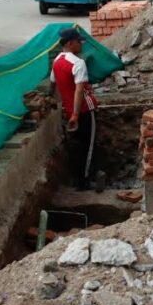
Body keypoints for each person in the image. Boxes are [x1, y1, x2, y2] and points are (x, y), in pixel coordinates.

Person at [51, 27, 101, 191]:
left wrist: (66, 110)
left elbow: (54, 84)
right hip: (84, 110)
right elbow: (80, 90)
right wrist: (76, 114)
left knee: (76, 145)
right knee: (89, 145)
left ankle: (77, 178)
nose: (81, 45)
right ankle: (85, 181)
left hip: (69, 110)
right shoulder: (78, 63)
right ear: (71, 43)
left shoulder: (57, 61)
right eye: (79, 42)